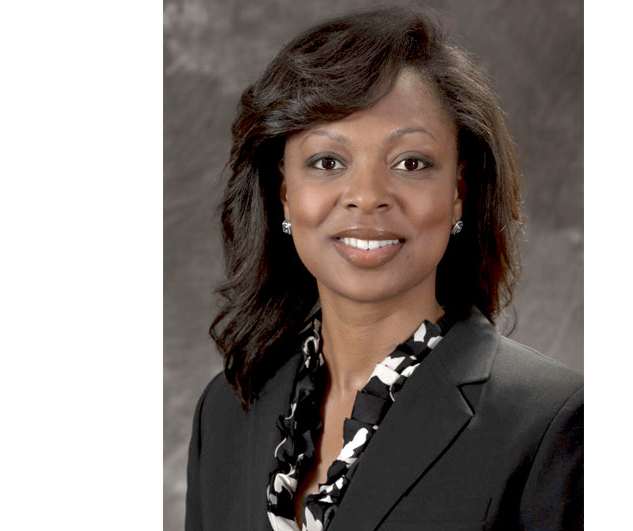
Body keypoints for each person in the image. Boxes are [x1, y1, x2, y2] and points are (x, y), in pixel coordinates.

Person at [186, 6, 582, 530]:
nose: (367, 196)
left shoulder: (554, 424)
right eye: (327, 162)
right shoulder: (225, 412)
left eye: (410, 163)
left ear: (458, 193)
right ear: (284, 194)